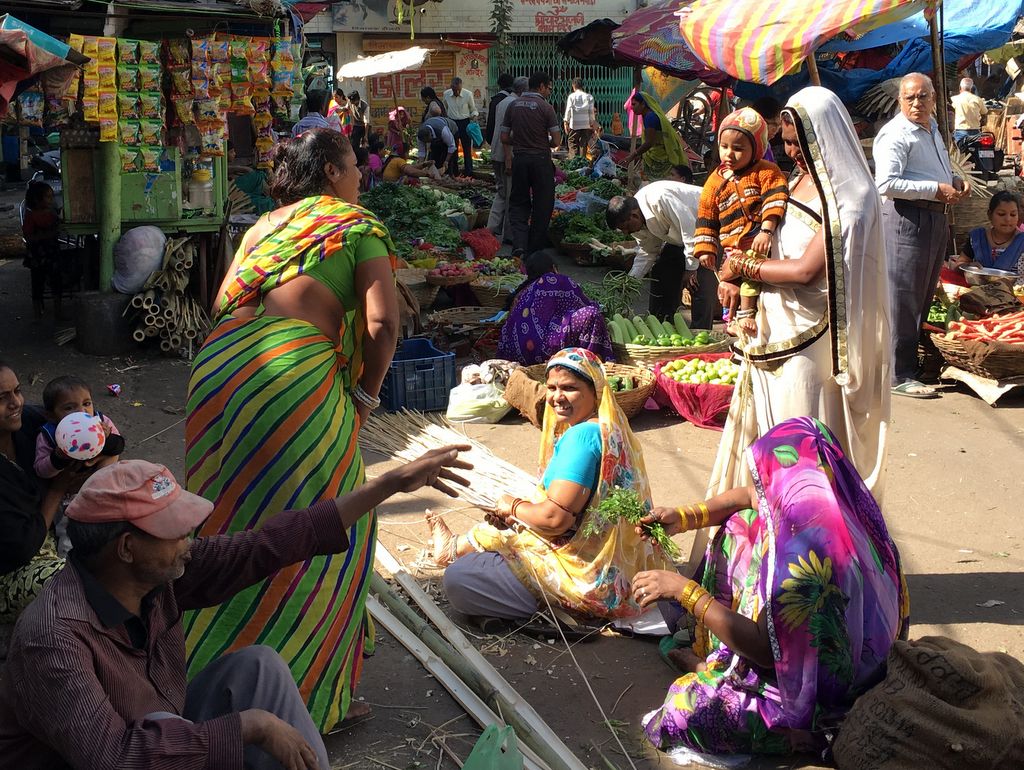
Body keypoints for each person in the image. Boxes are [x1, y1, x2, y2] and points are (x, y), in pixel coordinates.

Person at [0, 450, 471, 770]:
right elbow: (116, 759)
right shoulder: (53, 639)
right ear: (126, 548)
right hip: (108, 757)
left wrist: (388, 484)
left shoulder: (154, 577)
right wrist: (248, 727)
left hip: (152, 727)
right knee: (174, 727)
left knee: (257, 668)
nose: (188, 542)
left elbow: (266, 545)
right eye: (175, 532)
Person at [184, 128, 400, 732]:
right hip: (289, 377)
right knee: (330, 526)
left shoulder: (262, 227)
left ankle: (208, 681)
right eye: (353, 165)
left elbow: (225, 304)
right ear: (331, 171)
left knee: (228, 523)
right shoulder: (355, 226)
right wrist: (365, 396)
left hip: (219, 370)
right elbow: (383, 325)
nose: (360, 176)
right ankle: (304, 699)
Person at [634, 417, 909, 756]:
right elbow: (747, 497)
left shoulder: (803, 567)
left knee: (684, 709)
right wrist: (685, 516)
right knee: (742, 524)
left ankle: (726, 678)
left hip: (818, 697)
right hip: (857, 659)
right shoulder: (831, 504)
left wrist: (684, 592)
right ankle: (722, 656)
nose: (761, 490)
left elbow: (765, 650)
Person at [710, 86, 891, 504]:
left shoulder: (852, 197)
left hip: (812, 339)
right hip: (769, 330)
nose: (792, 152)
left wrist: (742, 267)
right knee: (763, 444)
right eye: (787, 142)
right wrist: (732, 274)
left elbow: (806, 272)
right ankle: (760, 536)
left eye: (800, 142)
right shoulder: (793, 180)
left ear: (823, 136)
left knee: (799, 447)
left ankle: (809, 536)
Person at [427, 347, 673, 622]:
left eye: (569, 388)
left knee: (460, 579)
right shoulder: (612, 429)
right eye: (552, 387)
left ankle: (555, 610)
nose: (557, 397)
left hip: (590, 581)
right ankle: (457, 547)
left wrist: (512, 507)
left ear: (595, 391)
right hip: (620, 570)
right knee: (512, 521)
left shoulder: (582, 438)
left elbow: (555, 519)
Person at [874, 72, 968, 398]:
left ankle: (907, 366)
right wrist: (935, 189)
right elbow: (886, 184)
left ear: (933, 98)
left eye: (923, 96)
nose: (917, 103)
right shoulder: (896, 134)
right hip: (907, 218)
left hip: (933, 218)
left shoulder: (932, 129)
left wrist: (954, 181)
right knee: (903, 297)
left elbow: (933, 170)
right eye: (910, 97)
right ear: (900, 101)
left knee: (923, 294)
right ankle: (897, 374)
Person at [694, 108, 789, 337]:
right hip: (731, 247)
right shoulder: (715, 180)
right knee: (727, 283)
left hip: (758, 242)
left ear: (756, 148)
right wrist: (705, 248)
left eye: (738, 149)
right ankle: (732, 318)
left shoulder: (766, 171)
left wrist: (766, 230)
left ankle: (746, 315)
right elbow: (707, 215)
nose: (729, 154)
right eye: (724, 146)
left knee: (750, 278)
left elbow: (775, 199)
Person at [0, 363, 67, 623]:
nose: (15, 402)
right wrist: (58, 488)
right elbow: (23, 548)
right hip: (10, 571)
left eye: (17, 391)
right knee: (73, 582)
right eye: (2, 397)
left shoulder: (27, 422)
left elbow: (81, 418)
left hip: (47, 534)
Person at [34, 375, 125, 555]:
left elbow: (119, 445)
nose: (81, 412)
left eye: (86, 404)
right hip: (67, 499)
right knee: (69, 533)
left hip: (100, 490)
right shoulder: (48, 435)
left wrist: (106, 438)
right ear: (51, 415)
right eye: (69, 408)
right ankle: (68, 562)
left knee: (108, 525)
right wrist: (58, 457)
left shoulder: (101, 422)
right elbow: (41, 469)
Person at [606, 181, 714, 327]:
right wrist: (631, 281)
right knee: (661, 270)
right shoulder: (636, 222)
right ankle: (661, 323)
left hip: (705, 228)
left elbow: (691, 231)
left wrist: (691, 269)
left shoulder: (660, 199)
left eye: (626, 227)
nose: (626, 232)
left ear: (634, 215)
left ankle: (702, 331)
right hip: (679, 238)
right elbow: (648, 251)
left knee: (698, 281)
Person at [495, 251, 614, 364]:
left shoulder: (523, 291)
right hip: (542, 349)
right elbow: (583, 303)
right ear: (553, 268)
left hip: (515, 351)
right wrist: (598, 307)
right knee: (591, 314)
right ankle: (590, 364)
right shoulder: (554, 279)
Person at [502, 71, 561, 257]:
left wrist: (521, 140)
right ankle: (535, 250)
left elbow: (504, 137)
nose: (549, 92)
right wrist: (541, 141)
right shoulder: (546, 108)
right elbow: (557, 141)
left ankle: (519, 245)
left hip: (520, 160)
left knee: (519, 203)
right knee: (543, 204)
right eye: (549, 88)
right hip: (541, 161)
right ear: (541, 86)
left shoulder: (513, 105)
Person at [487, 76, 528, 242]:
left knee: (502, 193)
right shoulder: (516, 104)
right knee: (511, 195)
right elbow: (509, 134)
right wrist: (509, 160)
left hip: (496, 153)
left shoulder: (503, 102)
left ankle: (491, 229)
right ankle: (509, 235)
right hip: (507, 155)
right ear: (523, 90)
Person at [620, 91, 689, 181]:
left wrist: (632, 156)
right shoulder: (649, 116)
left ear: (643, 104)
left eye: (634, 104)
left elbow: (649, 142)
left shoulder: (650, 117)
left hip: (660, 159)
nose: (632, 108)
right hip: (660, 155)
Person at [953, 190, 1024, 277]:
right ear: (990, 214)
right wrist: (968, 266)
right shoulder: (977, 238)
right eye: (1001, 214)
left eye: (1013, 214)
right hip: (977, 286)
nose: (1008, 219)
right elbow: (959, 264)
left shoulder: (1022, 241)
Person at [21, 180, 61, 320]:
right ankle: (37, 314)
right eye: (48, 197)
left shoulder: (52, 214)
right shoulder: (31, 217)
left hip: (51, 254)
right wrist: (47, 235)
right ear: (37, 200)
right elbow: (28, 236)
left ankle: (58, 312)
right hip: (38, 256)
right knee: (37, 284)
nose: (51, 200)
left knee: (56, 283)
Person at [443, 77, 478, 177]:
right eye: (455, 90)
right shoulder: (446, 94)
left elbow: (473, 109)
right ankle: (454, 172)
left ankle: (469, 172)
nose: (457, 92)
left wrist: (474, 116)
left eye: (459, 90)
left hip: (465, 122)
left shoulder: (468, 94)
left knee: (467, 148)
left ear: (461, 86)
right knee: (453, 148)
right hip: (452, 123)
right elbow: (445, 108)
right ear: (451, 87)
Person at [416, 105, 459, 171]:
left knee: (449, 158)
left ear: (430, 135)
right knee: (434, 157)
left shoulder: (443, 131)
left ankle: (452, 173)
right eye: (425, 142)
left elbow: (451, 146)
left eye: (428, 141)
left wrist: (446, 161)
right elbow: (422, 151)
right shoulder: (420, 135)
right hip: (437, 135)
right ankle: (436, 172)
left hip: (452, 130)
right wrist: (421, 165)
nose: (427, 143)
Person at [563, 78, 596, 159]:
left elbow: (568, 110)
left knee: (572, 142)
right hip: (586, 125)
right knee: (583, 144)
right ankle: (582, 161)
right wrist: (592, 123)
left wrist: (566, 122)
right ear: (582, 86)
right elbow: (591, 112)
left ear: (573, 86)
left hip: (575, 125)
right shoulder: (589, 97)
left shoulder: (571, 96)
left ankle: (573, 160)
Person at [951, 77, 988, 144]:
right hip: (975, 132)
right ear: (972, 88)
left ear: (960, 88)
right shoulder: (978, 99)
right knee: (977, 149)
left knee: (959, 150)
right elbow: (984, 112)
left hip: (960, 131)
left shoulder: (954, 99)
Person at [485, 72, 514, 149]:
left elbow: (491, 121)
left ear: (499, 85)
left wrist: (490, 139)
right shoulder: (512, 101)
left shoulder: (495, 100)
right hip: (509, 139)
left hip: (496, 138)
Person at [751, 96, 783, 162]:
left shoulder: (766, 144)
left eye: (779, 125)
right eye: (773, 124)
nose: (776, 130)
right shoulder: (750, 148)